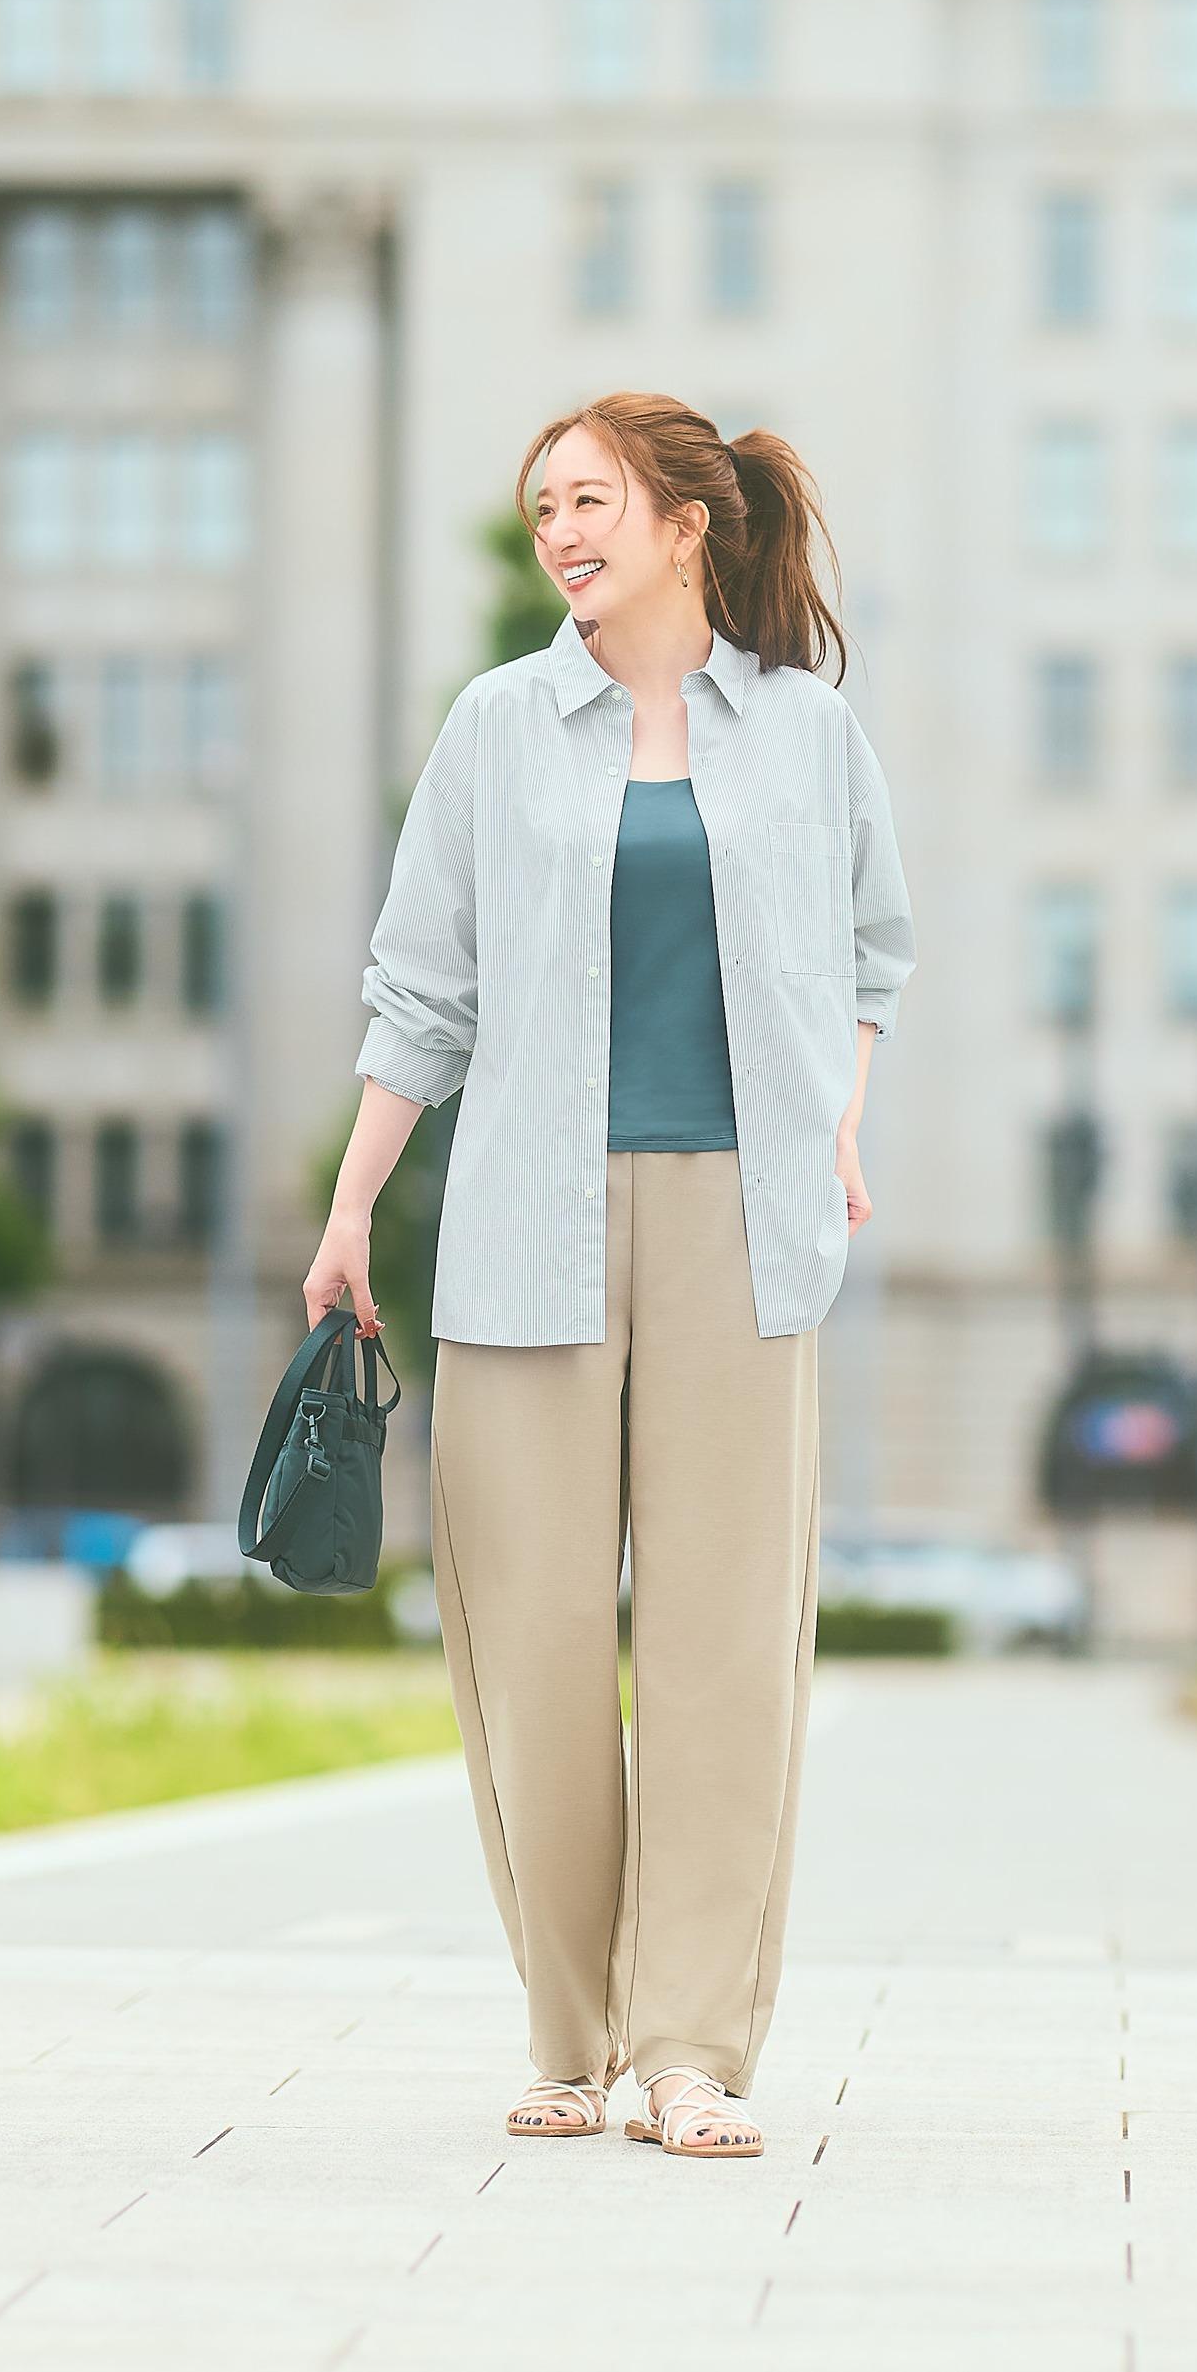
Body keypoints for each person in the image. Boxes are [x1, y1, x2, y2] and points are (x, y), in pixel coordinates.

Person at [304, 394, 916, 2162]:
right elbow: (420, 989)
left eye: (588, 501)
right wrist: (353, 1212)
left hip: (744, 1230)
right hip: (518, 1233)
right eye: (539, 511)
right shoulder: (497, 729)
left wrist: (841, 1122)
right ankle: (568, 2037)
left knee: (726, 1650)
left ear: (682, 523)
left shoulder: (804, 733)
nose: (560, 533)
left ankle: (691, 2051)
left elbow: (872, 950)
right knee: (539, 1649)